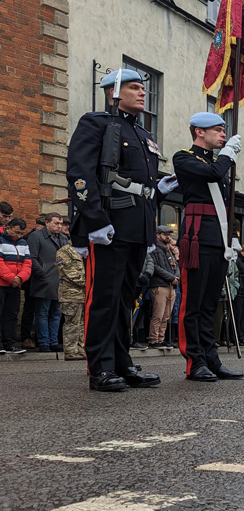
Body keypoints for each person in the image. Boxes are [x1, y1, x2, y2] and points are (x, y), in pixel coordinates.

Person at [65, 68, 168, 391]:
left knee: (127, 300)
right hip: (109, 225)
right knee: (104, 299)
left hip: (137, 227)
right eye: (134, 87)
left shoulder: (143, 134)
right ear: (114, 92)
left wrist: (150, 231)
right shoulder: (96, 124)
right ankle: (101, 367)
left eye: (142, 88)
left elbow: (143, 186)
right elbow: (80, 174)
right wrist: (94, 220)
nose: (142, 93)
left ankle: (122, 362)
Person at [173, 111, 244, 382]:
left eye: (224, 130)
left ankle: (210, 358)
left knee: (210, 303)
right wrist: (227, 153)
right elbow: (213, 174)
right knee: (193, 302)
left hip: (218, 237)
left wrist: (231, 240)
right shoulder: (184, 157)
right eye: (217, 130)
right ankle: (194, 359)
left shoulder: (217, 160)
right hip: (197, 236)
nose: (223, 134)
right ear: (199, 132)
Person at [27, 212, 66, 352]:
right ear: (47, 222)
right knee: (42, 312)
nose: (59, 226)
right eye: (56, 223)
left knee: (56, 313)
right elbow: (32, 257)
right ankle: (43, 342)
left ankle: (53, 341)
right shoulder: (36, 236)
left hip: (59, 281)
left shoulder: (63, 238)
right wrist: (42, 273)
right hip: (43, 281)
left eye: (61, 223)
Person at [0, 219, 31, 354]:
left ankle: (9, 343)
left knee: (12, 315)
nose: (19, 236)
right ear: (8, 227)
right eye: (17, 232)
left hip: (16, 285)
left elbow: (28, 263)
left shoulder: (23, 243)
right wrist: (11, 278)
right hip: (2, 283)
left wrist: (20, 278)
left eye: (21, 233)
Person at [56, 231, 86, 360]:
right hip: (70, 293)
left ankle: (81, 349)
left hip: (84, 294)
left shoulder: (84, 251)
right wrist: (90, 282)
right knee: (72, 323)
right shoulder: (64, 251)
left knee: (82, 323)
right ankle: (70, 350)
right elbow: (70, 273)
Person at [147, 226, 178, 348]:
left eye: (168, 235)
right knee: (158, 315)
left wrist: (176, 277)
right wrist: (171, 277)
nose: (168, 237)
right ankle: (153, 339)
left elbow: (175, 265)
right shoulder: (154, 249)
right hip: (159, 284)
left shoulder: (168, 250)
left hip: (170, 285)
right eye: (165, 234)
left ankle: (161, 338)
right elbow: (155, 267)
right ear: (158, 235)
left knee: (166, 316)